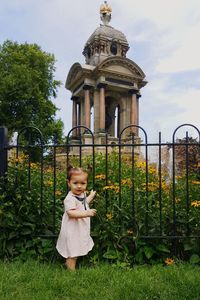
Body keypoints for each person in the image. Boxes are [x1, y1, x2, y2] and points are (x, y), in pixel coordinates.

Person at [56, 166, 97, 271]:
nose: (79, 186)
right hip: (72, 229)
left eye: (83, 183)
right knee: (72, 250)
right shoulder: (69, 198)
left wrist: (90, 197)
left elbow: (82, 204)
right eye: (75, 183)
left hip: (78, 229)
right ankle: (71, 271)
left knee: (76, 246)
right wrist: (87, 213)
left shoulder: (81, 194)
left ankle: (69, 265)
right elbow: (71, 213)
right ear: (68, 183)